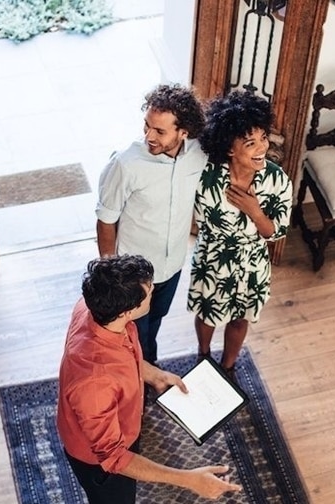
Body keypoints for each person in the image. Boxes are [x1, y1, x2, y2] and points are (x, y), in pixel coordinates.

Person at [57, 255, 242, 503]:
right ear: (127, 311)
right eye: (149, 290)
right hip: (99, 461)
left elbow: (120, 356)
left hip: (120, 427)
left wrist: (153, 373)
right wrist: (190, 479)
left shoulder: (93, 308)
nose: (153, 288)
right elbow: (115, 458)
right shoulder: (95, 383)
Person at [96, 84, 208, 364]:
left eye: (160, 131)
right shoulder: (127, 164)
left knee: (155, 322)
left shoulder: (199, 153)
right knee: (137, 333)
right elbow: (106, 220)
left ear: (183, 132)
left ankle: (145, 370)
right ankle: (143, 381)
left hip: (172, 266)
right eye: (147, 127)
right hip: (134, 273)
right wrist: (110, 272)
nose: (149, 136)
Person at [188, 91, 292, 380]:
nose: (262, 148)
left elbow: (277, 232)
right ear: (230, 148)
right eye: (250, 142)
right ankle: (203, 354)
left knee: (239, 317)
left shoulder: (277, 180)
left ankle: (229, 365)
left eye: (263, 138)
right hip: (212, 257)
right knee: (207, 313)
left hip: (251, 262)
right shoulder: (204, 175)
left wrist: (255, 211)